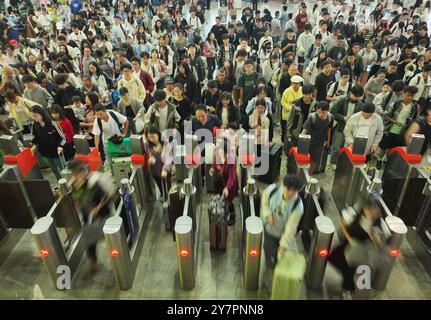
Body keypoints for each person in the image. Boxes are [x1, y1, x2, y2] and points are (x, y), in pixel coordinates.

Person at [329, 196, 388, 300]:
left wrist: (375, 240)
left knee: (349, 270)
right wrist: (349, 239)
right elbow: (343, 225)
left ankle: (347, 291)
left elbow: (378, 244)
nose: (371, 212)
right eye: (369, 208)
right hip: (347, 246)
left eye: (374, 209)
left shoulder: (377, 226)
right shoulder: (355, 215)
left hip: (358, 252)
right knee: (333, 259)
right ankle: (348, 288)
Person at [69, 160, 114, 274]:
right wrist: (77, 205)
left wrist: (96, 208)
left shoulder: (92, 183)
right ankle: (93, 264)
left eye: (78, 173)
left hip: (102, 216)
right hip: (88, 218)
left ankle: (117, 259)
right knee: (90, 242)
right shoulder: (75, 186)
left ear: (83, 172)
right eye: (74, 173)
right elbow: (77, 199)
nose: (76, 176)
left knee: (109, 240)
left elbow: (106, 197)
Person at [261, 174, 304, 268]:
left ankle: (275, 263)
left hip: (283, 232)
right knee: (268, 248)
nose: (291, 194)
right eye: (288, 190)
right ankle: (269, 265)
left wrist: (283, 245)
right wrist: (268, 215)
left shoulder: (298, 206)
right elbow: (265, 201)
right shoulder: (272, 190)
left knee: (279, 253)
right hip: (269, 229)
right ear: (283, 186)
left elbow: (291, 228)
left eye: (294, 191)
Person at [377, 86, 420, 168]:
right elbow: (386, 116)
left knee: (394, 148)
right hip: (390, 129)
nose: (410, 97)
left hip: (402, 132)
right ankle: (379, 160)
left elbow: (415, 120)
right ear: (403, 93)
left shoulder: (415, 107)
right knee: (383, 146)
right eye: (408, 95)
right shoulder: (395, 104)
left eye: (412, 96)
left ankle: (387, 161)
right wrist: (395, 122)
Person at [330, 86, 364, 168]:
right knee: (337, 146)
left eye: (358, 97)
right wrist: (343, 118)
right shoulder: (342, 100)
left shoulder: (360, 104)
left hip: (352, 129)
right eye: (355, 96)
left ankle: (343, 162)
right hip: (340, 127)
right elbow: (332, 111)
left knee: (349, 147)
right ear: (350, 93)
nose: (356, 98)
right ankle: (334, 162)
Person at [30, 105, 66, 181]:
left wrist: (60, 146)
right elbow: (34, 138)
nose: (34, 118)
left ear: (41, 114)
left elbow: (62, 137)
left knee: (63, 169)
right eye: (32, 116)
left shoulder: (52, 123)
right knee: (54, 169)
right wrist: (34, 145)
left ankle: (68, 182)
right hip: (44, 153)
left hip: (56, 152)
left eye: (35, 116)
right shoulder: (34, 125)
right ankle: (60, 183)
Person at [209, 138, 239, 225]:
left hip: (229, 184)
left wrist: (227, 188)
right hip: (219, 182)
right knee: (220, 199)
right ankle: (223, 212)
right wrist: (212, 168)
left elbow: (232, 177)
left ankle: (232, 215)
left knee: (228, 201)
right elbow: (215, 164)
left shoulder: (231, 160)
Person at [301, 101, 333, 175]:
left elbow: (329, 129)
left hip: (320, 142)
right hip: (309, 140)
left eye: (323, 112)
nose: (321, 114)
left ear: (328, 111)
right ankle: (301, 174)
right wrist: (301, 142)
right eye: (319, 112)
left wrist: (328, 140)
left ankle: (309, 175)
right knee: (304, 158)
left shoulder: (330, 117)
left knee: (315, 159)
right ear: (317, 110)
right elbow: (304, 130)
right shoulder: (312, 117)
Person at [144, 125, 173, 198]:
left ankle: (168, 197)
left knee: (168, 187)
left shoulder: (166, 143)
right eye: (149, 137)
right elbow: (147, 153)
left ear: (158, 134)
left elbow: (169, 158)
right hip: (155, 171)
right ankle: (162, 194)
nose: (151, 139)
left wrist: (165, 170)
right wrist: (150, 161)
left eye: (153, 136)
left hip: (165, 171)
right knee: (160, 185)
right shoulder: (148, 145)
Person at [285, 84, 316, 148]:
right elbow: (290, 119)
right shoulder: (296, 104)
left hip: (308, 135)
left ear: (312, 94)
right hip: (296, 133)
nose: (308, 96)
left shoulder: (316, 105)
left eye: (309, 94)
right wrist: (289, 133)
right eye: (306, 94)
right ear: (303, 93)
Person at [281, 75, 303, 142]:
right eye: (293, 83)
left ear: (300, 83)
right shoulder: (287, 91)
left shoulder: (302, 90)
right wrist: (291, 108)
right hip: (287, 115)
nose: (295, 85)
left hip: (298, 115)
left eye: (297, 83)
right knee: (286, 130)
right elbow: (283, 102)